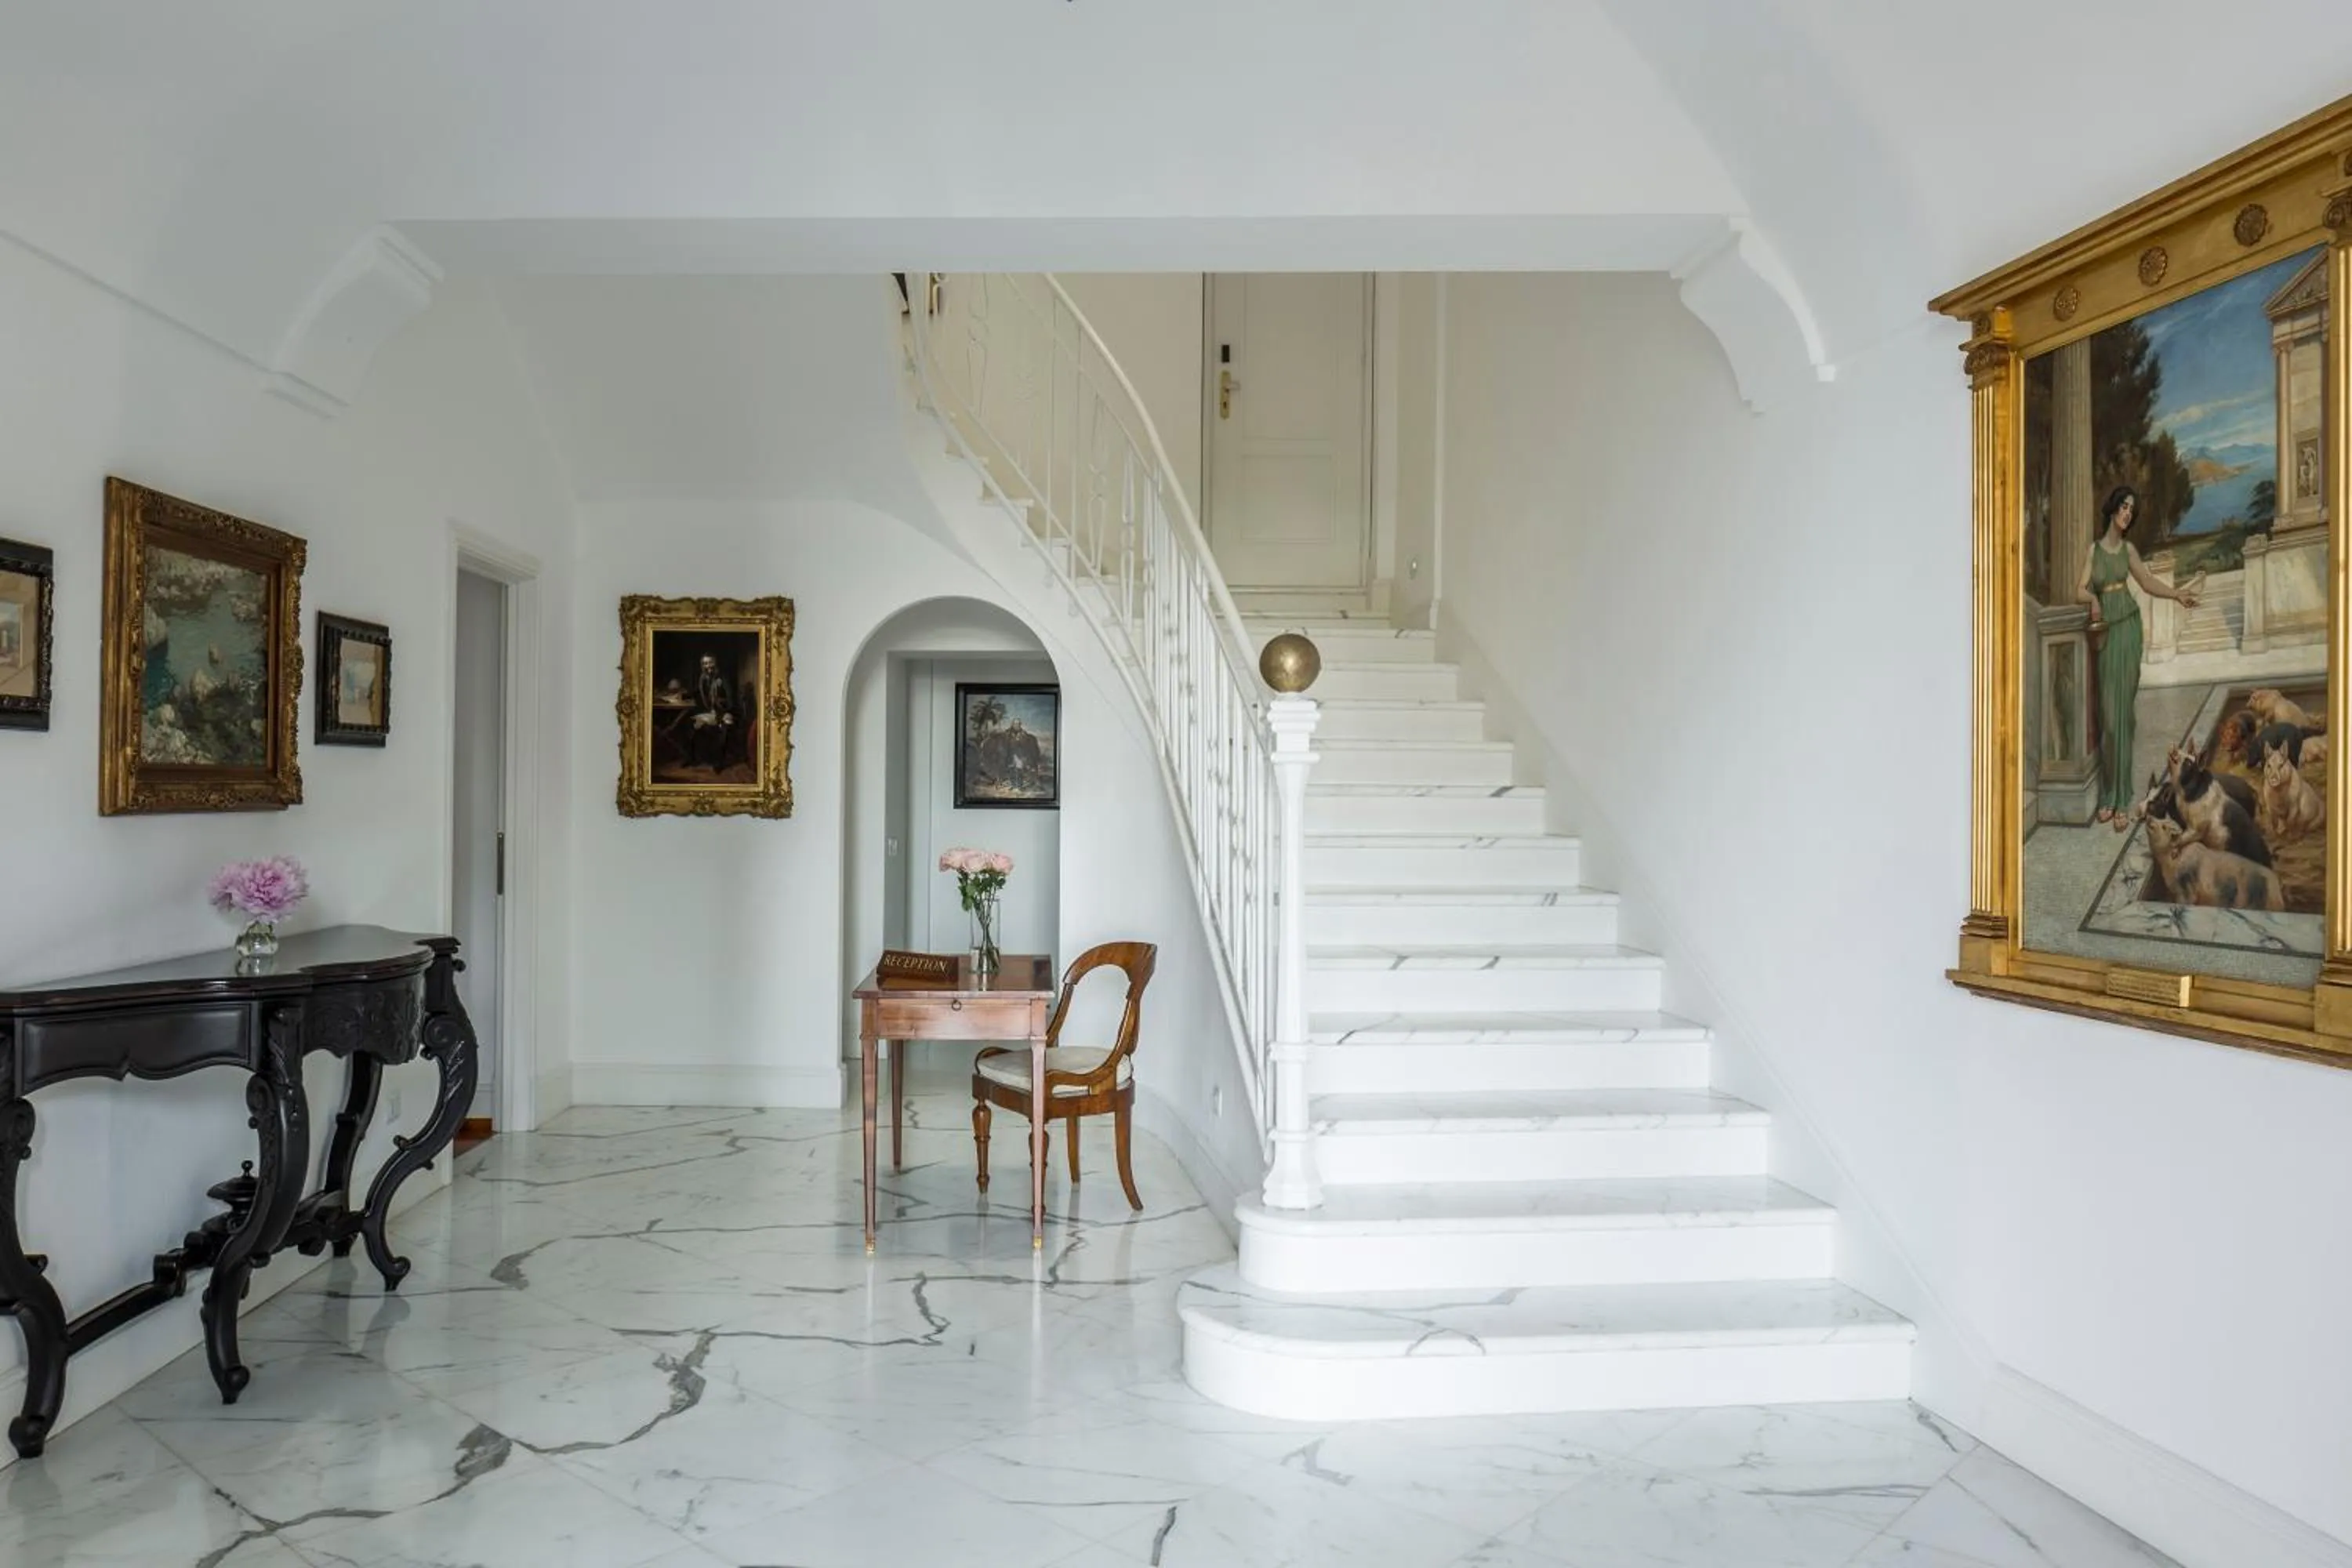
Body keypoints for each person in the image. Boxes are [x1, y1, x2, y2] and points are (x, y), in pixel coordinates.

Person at [2078, 485, 2201, 829]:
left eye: (2131, 510)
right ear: (2113, 508)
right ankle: (2108, 794)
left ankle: (2121, 800)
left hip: (2129, 630)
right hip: (2107, 633)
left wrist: (2177, 594)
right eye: (2124, 506)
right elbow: (2079, 588)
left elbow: (2147, 582)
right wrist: (2092, 599)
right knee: (2109, 717)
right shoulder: (2094, 551)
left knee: (2125, 716)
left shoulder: (2128, 550)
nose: (2127, 513)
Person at [687, 652, 735, 769]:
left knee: (725, 727)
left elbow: (731, 700)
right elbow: (696, 693)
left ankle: (719, 763)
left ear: (715, 663)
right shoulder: (702, 679)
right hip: (709, 712)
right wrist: (681, 695)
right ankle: (692, 759)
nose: (708, 666)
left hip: (724, 712)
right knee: (691, 724)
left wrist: (723, 713)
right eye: (705, 663)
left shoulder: (723, 678)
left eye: (710, 663)